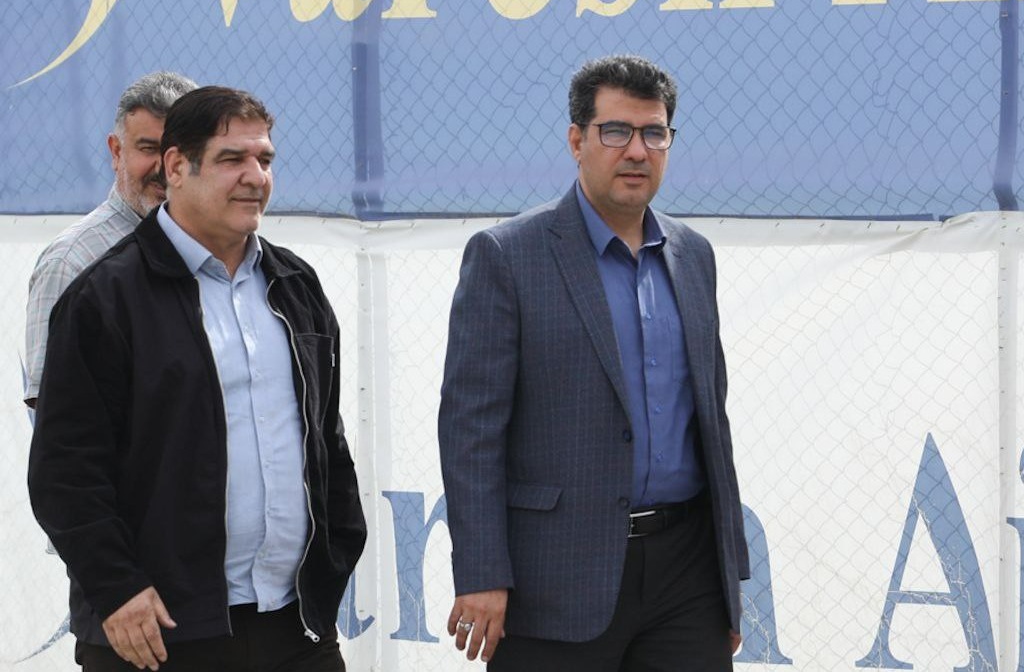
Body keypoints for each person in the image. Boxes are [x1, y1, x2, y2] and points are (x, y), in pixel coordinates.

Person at [28, 86, 367, 672]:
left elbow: (325, 442)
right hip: (158, 635)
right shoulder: (104, 297)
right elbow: (65, 470)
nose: (255, 177)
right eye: (232, 159)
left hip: (295, 627)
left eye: (264, 159)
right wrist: (116, 588)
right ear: (177, 167)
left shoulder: (296, 286)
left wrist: (335, 558)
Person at [438, 54, 749, 671]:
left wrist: (727, 582)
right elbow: (471, 429)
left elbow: (711, 422)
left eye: (654, 133)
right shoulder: (508, 256)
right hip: (555, 577)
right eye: (616, 131)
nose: (636, 150)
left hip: (687, 578)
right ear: (577, 140)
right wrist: (481, 571)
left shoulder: (694, 256)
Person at [23, 71, 197, 408]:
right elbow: (59, 416)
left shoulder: (224, 254)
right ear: (116, 152)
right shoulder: (72, 262)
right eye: (148, 148)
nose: (164, 167)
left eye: (180, 152)